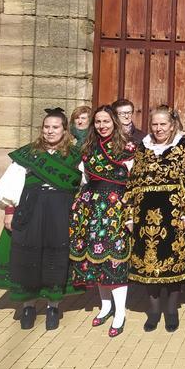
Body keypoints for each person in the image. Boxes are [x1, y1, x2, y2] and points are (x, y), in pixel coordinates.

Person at [0, 107, 83, 331]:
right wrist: (9, 212)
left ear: (65, 130)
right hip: (31, 210)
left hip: (61, 211)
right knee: (28, 255)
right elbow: (10, 184)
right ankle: (28, 306)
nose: (50, 131)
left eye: (55, 127)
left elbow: (83, 186)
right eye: (46, 127)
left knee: (55, 256)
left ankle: (53, 306)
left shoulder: (75, 156)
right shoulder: (28, 154)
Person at [124, 105, 185, 333]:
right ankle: (154, 311)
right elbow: (132, 183)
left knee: (172, 264)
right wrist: (129, 215)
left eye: (163, 124)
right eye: (154, 124)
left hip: (173, 216)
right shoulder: (142, 148)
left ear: (172, 124)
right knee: (148, 265)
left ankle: (172, 310)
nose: (158, 129)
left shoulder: (184, 147)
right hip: (144, 215)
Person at [69, 105, 136, 337]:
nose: (102, 125)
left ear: (114, 122)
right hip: (92, 207)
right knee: (96, 259)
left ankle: (120, 312)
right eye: (98, 122)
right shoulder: (87, 147)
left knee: (115, 258)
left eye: (106, 121)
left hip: (116, 207)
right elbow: (84, 178)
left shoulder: (127, 148)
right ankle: (105, 306)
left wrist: (130, 212)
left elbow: (134, 182)